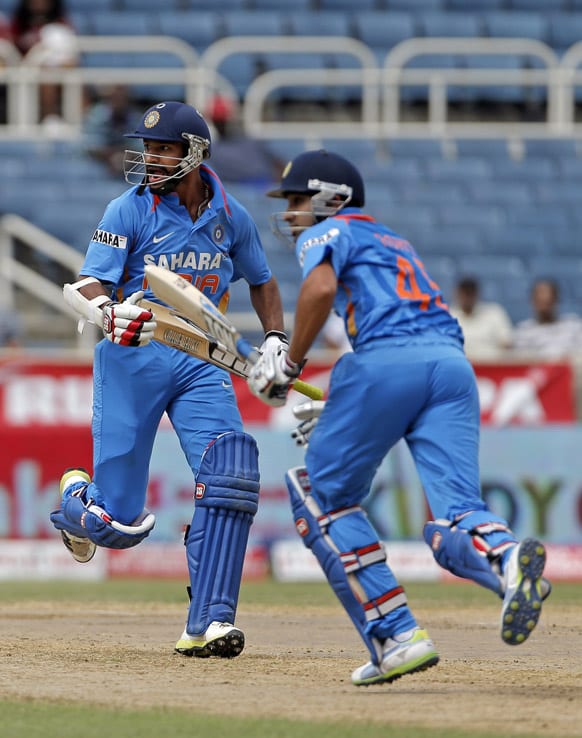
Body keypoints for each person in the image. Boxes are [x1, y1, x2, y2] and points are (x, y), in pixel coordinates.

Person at [247, 149, 551, 687]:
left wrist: (288, 363)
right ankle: (505, 558)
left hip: (387, 361)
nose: (291, 212)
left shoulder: (330, 229)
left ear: (329, 199)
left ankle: (396, 634)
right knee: (454, 518)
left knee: (321, 492)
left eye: (297, 200)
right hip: (452, 367)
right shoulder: (393, 239)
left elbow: (320, 290)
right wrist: (345, 406)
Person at [49, 101, 288, 659]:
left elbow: (263, 281)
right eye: (147, 148)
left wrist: (276, 339)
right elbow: (83, 286)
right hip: (134, 357)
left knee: (230, 476)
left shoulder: (233, 215)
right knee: (119, 523)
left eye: (163, 149)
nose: (150, 158)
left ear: (196, 153)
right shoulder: (126, 208)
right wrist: (109, 311)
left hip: (203, 362)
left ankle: (209, 622)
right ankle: (75, 502)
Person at [10, 0, 79, 125]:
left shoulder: (60, 23)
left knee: (53, 76)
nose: (39, 3)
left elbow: (69, 54)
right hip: (22, 71)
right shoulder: (19, 24)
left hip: (53, 71)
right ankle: (48, 117)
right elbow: (11, 49)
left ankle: (79, 123)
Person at [512, 278, 582, 360]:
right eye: (540, 302)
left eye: (548, 302)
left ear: (556, 300)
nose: (544, 307)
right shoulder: (523, 331)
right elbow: (522, 361)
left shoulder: (574, 326)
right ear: (532, 301)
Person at [448, 275, 513, 361]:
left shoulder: (494, 312)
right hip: (460, 365)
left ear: (477, 293)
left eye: (471, 293)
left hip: (491, 366)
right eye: (465, 293)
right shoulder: (448, 316)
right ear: (457, 294)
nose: (468, 298)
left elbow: (507, 343)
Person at [82, 85, 143, 174]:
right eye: (115, 98)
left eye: (122, 98)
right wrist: (112, 155)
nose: (119, 102)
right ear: (108, 99)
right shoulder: (95, 116)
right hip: (100, 164)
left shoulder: (136, 118)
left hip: (129, 162)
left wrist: (124, 155)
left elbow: (141, 147)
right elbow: (90, 145)